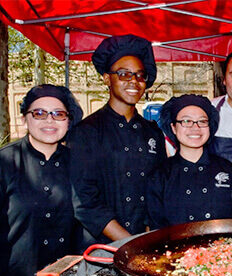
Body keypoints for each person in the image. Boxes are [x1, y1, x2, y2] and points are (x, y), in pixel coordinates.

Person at [67, 35, 167, 249]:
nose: (134, 81)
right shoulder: (86, 132)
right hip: (101, 248)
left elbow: (156, 191)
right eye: (124, 74)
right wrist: (129, 243)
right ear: (106, 78)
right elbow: (84, 200)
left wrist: (147, 240)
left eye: (140, 75)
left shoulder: (153, 133)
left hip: (144, 244)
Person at [0, 84, 83, 276]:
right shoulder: (5, 162)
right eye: (40, 113)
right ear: (25, 117)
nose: (50, 120)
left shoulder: (81, 165)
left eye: (59, 114)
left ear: (68, 121)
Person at [146, 94, 232, 230]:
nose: (195, 128)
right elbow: (156, 229)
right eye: (186, 121)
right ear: (174, 128)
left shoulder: (227, 169)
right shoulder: (160, 175)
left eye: (202, 121)